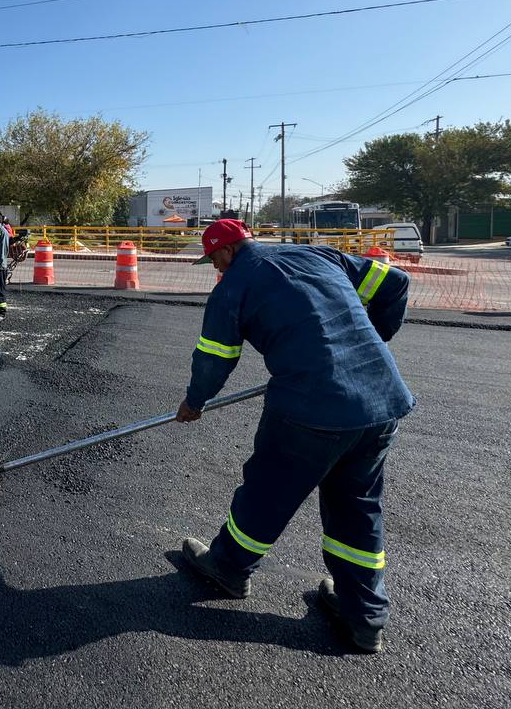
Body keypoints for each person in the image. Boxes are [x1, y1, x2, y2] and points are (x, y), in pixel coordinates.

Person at [172, 218, 413, 654]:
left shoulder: (233, 287)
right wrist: (370, 344)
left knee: (268, 493)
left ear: (226, 251)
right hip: (380, 401)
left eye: (213, 260)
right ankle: (364, 616)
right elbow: (395, 283)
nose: (214, 269)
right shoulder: (318, 253)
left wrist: (194, 402)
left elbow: (214, 357)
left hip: (309, 409)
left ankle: (228, 567)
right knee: (356, 506)